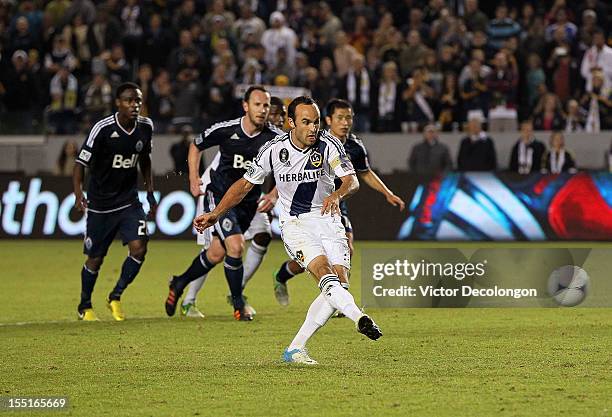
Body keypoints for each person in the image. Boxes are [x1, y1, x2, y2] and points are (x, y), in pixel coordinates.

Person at [194, 96, 383, 364]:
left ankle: (295, 348)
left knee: (339, 285)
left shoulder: (330, 145)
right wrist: (215, 213)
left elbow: (352, 182)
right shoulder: (273, 149)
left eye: (316, 122)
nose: (313, 128)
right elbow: (245, 184)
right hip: (296, 225)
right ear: (291, 123)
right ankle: (359, 318)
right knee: (324, 275)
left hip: (329, 220)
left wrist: (338, 194)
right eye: (306, 122)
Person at [272, 98, 405, 307]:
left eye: (349, 118)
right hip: (308, 208)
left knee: (347, 249)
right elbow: (291, 173)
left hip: (335, 205)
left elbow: (365, 173)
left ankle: (341, 300)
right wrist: (273, 194)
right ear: (328, 120)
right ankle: (282, 275)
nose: (345, 122)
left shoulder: (354, 146)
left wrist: (387, 193)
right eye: (340, 118)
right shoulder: (315, 142)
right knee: (310, 259)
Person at [164, 86, 280, 321]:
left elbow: (288, 167)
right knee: (236, 247)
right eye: (257, 104)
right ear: (246, 106)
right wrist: (193, 178)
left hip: (248, 203)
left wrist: (275, 193)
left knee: (216, 253)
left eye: (266, 105)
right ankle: (238, 305)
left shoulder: (275, 138)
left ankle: (179, 282)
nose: (262, 110)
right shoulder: (226, 130)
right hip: (219, 198)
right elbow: (196, 145)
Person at [73, 82, 157, 321]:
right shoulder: (102, 128)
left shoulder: (146, 126)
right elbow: (80, 163)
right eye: (129, 100)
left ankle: (116, 295)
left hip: (129, 201)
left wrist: (150, 191)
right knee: (95, 259)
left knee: (139, 247)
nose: (135, 105)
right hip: (100, 205)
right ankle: (85, 305)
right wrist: (79, 194)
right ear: (118, 103)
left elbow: (145, 159)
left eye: (138, 100)